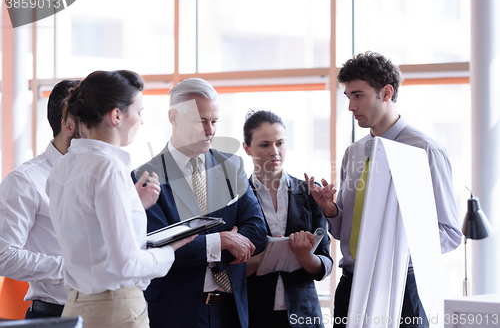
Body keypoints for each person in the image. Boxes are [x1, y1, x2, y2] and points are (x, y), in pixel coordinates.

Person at [305, 52, 462, 328]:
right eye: (348, 97)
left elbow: (449, 233)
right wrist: (329, 208)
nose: (351, 106)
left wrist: (393, 251)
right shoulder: (353, 153)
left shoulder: (425, 150)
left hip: (401, 288)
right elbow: (344, 232)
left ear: (386, 92)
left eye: (358, 95)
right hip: (351, 285)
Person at [46, 70, 194, 328]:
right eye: (139, 112)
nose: (141, 121)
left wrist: (131, 203)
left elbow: (86, 229)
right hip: (116, 308)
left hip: (75, 306)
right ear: (116, 116)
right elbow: (126, 263)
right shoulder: (108, 168)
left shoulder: (63, 166)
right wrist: (170, 250)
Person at [132, 78, 267, 328]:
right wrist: (222, 240)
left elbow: (257, 231)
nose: (210, 131)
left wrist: (214, 246)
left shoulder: (232, 166)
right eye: (200, 121)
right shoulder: (145, 177)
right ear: (173, 117)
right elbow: (157, 246)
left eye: (214, 121)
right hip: (175, 313)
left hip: (231, 312)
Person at [0, 80, 86, 319]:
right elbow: (3, 255)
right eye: (93, 119)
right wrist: (68, 270)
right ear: (68, 125)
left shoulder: (100, 177)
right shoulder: (25, 180)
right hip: (54, 317)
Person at [243, 110, 333, 328]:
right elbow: (225, 269)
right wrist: (262, 259)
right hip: (252, 313)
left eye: (280, 143)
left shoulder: (312, 193)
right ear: (247, 148)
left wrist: (305, 256)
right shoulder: (237, 198)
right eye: (265, 145)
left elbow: (325, 264)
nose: (275, 152)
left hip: (304, 314)